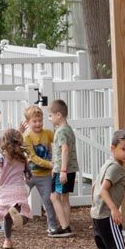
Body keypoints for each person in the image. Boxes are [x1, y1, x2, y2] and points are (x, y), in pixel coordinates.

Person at [0, 128, 33, 249]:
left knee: (6, 217)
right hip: (19, 189)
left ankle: (7, 241)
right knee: (25, 214)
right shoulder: (22, 157)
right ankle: (20, 219)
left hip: (6, 189)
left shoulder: (1, 157)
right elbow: (29, 175)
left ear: (4, 141)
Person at [21, 104, 60, 238]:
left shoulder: (48, 133)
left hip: (45, 176)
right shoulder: (27, 137)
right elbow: (33, 158)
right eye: (34, 121)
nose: (38, 124)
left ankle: (53, 225)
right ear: (28, 122)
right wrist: (50, 164)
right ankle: (10, 220)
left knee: (48, 201)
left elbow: (58, 143)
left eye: (40, 121)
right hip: (30, 175)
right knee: (19, 197)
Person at [48, 98, 76, 238]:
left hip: (62, 171)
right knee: (64, 198)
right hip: (70, 169)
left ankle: (64, 227)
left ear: (58, 115)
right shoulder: (69, 129)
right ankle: (66, 224)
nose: (50, 118)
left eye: (50, 115)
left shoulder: (60, 131)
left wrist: (62, 170)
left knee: (54, 197)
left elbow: (65, 150)